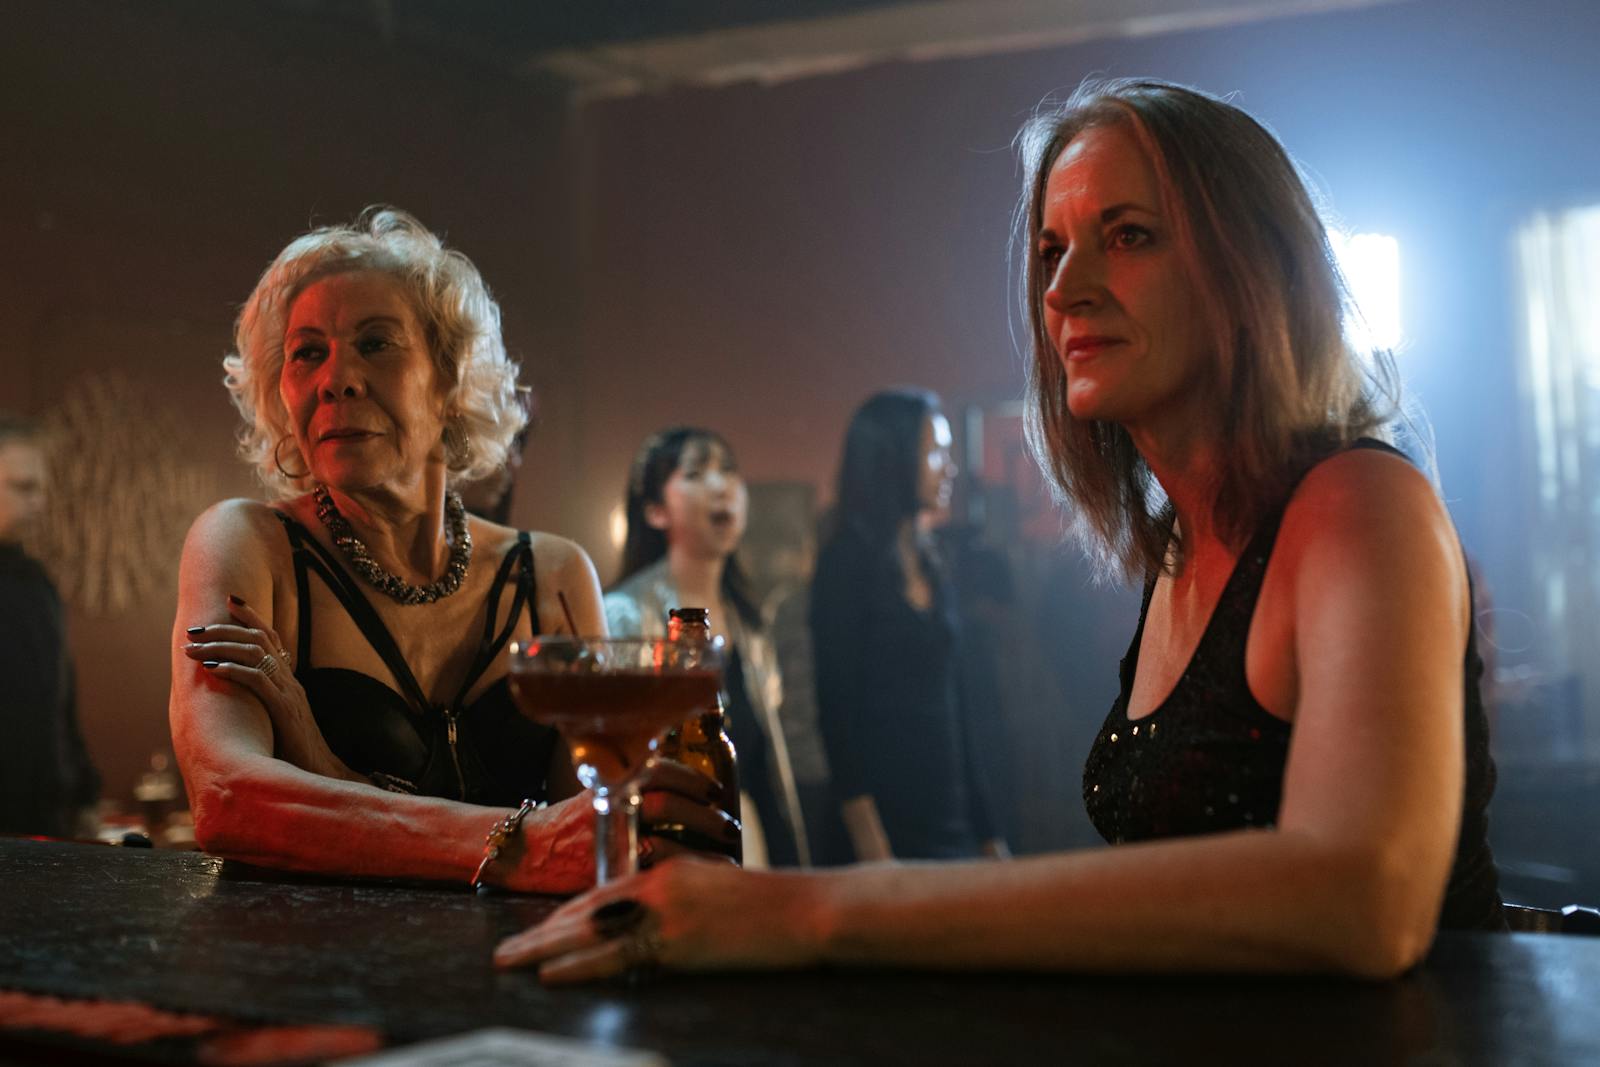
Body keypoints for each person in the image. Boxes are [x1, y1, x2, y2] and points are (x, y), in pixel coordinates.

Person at [495, 78, 1501, 982]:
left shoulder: (1356, 504)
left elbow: (1364, 895)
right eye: (1053, 251)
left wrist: (812, 905)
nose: (1063, 291)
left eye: (1130, 235)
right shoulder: (1181, 547)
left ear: (1251, 269)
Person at [170, 208, 728, 891]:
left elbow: (606, 841)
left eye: (375, 343)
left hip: (521, 979)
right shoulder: (250, 544)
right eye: (307, 351)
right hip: (312, 980)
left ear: (452, 379)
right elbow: (229, 799)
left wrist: (319, 760)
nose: (335, 378)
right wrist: (516, 843)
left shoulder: (550, 574)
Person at [807, 391, 1009, 863]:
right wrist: (870, 842)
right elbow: (837, 713)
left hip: (951, 819)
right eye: (935, 451)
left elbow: (956, 709)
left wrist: (988, 832)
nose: (950, 467)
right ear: (892, 456)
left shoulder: (934, 561)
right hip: (886, 830)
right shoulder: (845, 563)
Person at [604, 427, 810, 868]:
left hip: (748, 848)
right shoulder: (624, 616)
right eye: (697, 473)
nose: (723, 487)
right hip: (665, 850)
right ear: (656, 511)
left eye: (729, 471)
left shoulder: (750, 624)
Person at [0, 415, 100, 838]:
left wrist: (84, 798)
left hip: (45, 831)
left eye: (42, 487)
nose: (40, 501)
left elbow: (60, 703)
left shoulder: (37, 583)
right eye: (24, 487)